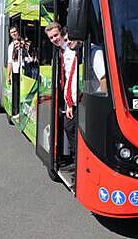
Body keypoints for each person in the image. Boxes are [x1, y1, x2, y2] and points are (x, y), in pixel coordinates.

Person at [62, 32, 83, 172]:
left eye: (69, 39)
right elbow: (70, 77)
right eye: (66, 40)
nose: (68, 42)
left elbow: (103, 80)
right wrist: (69, 102)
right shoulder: (73, 53)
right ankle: (76, 162)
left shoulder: (90, 52)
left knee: (76, 131)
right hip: (73, 101)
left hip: (85, 102)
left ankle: (79, 166)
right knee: (69, 127)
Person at [7, 37, 23, 119]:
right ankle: (16, 112)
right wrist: (8, 76)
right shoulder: (14, 53)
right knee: (16, 94)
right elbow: (10, 63)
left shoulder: (23, 52)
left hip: (23, 75)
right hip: (16, 74)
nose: (17, 45)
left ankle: (20, 112)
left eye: (18, 43)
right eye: (15, 44)